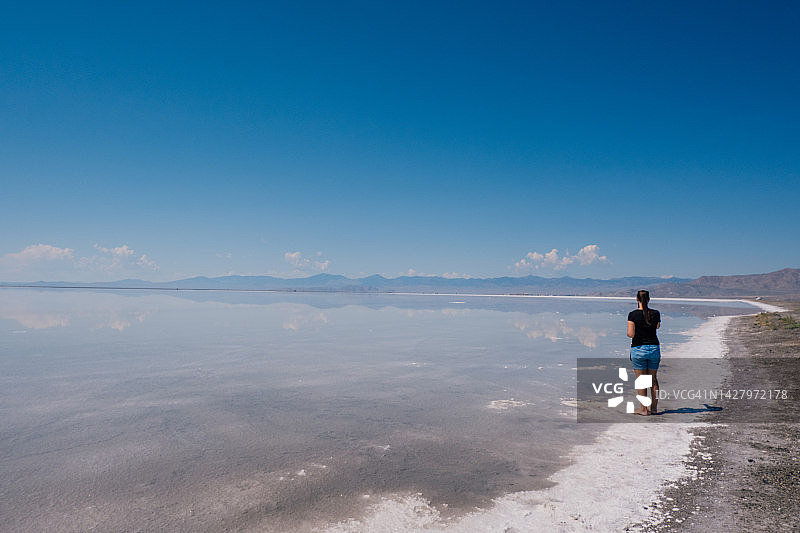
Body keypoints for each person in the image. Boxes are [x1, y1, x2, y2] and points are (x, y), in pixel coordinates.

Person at [627, 289, 661, 415]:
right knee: (653, 380)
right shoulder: (656, 313)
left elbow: (630, 334)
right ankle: (654, 408)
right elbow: (657, 327)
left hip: (639, 348)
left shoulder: (633, 315)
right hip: (654, 348)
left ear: (637, 299)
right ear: (649, 299)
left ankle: (643, 409)